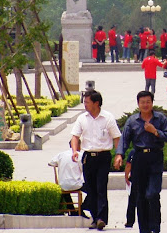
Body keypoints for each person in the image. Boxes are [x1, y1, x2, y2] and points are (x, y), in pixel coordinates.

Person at [114, 91, 167, 233]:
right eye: (142, 102)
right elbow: (125, 139)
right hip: (139, 158)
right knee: (141, 196)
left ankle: (155, 225)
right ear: (138, 104)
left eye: (148, 102)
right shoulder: (133, 121)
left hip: (155, 157)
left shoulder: (160, 119)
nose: (145, 105)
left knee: (152, 193)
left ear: (152, 103)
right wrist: (119, 155)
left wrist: (155, 131)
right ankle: (144, 229)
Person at [71, 90, 121, 230]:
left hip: (103, 157)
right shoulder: (82, 118)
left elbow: (117, 138)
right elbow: (75, 136)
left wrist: (119, 155)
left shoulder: (108, 118)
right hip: (88, 157)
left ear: (96, 103)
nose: (85, 104)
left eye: (87, 102)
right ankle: (94, 217)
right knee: (91, 188)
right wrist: (75, 151)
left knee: (101, 187)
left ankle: (101, 218)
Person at [48, 143, 88, 217]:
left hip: (63, 184)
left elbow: (50, 163)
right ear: (79, 145)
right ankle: (82, 207)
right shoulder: (80, 155)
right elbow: (84, 169)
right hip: (76, 184)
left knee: (65, 189)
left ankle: (72, 210)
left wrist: (60, 164)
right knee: (92, 191)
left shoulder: (61, 154)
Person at [124, 149, 137, 228]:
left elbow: (128, 165)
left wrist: (126, 177)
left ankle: (130, 221)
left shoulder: (133, 152)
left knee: (132, 201)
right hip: (146, 178)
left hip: (135, 178)